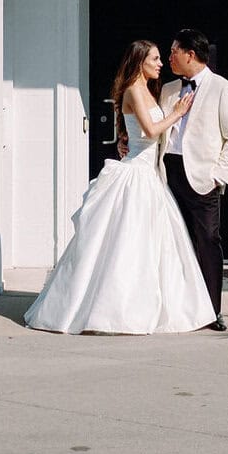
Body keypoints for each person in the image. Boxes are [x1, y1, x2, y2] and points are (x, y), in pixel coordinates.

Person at [23, 40, 217, 335]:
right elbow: (151, 131)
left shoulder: (151, 92)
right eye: (154, 58)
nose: (160, 63)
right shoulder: (133, 90)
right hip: (136, 177)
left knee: (153, 248)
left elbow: (143, 132)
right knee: (127, 244)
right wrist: (177, 113)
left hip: (151, 176)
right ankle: (114, 310)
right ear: (140, 62)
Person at [157, 29, 228, 333]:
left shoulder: (223, 89)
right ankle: (178, 308)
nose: (168, 58)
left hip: (202, 178)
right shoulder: (168, 89)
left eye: (173, 52)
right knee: (171, 242)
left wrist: (218, 177)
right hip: (168, 171)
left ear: (189, 54)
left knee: (207, 241)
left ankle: (211, 310)